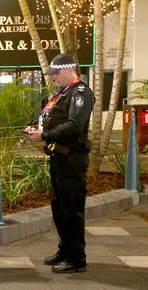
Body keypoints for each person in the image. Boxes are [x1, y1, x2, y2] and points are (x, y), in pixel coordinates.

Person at [25, 53, 94, 274]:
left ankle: (76, 258)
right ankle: (64, 250)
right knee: (59, 208)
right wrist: (34, 128)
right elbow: (48, 117)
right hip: (58, 157)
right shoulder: (61, 94)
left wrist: (45, 136)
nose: (53, 78)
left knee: (72, 209)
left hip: (72, 159)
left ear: (67, 70)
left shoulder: (80, 92)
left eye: (55, 74)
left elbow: (75, 124)